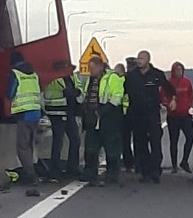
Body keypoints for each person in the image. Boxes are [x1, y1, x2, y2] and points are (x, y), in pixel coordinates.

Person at [125, 51, 176, 184]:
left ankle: (155, 170)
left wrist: (173, 99)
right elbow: (123, 91)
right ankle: (145, 171)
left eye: (141, 58)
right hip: (136, 113)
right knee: (141, 144)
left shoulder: (157, 75)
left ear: (148, 60)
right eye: (138, 58)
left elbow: (169, 88)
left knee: (155, 142)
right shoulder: (131, 76)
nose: (138, 61)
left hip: (152, 113)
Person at [81, 57, 124, 187]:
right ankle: (90, 173)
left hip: (108, 119)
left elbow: (117, 96)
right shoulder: (91, 79)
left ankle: (112, 175)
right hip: (92, 119)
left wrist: (103, 110)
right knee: (91, 148)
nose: (90, 71)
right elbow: (87, 96)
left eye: (92, 68)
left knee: (112, 150)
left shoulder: (112, 78)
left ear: (100, 67)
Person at [8, 51, 42, 186]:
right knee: (29, 146)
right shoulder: (34, 74)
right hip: (36, 113)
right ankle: (32, 171)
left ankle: (30, 175)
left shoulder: (15, 73)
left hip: (23, 114)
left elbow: (10, 92)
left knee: (22, 147)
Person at [42, 67, 81, 180]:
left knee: (75, 139)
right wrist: (67, 93)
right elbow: (50, 94)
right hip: (57, 112)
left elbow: (78, 89)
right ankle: (55, 169)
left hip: (69, 112)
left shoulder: (71, 77)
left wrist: (75, 92)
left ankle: (72, 167)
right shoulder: (54, 78)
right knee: (58, 141)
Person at [162, 61, 193, 174]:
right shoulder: (168, 83)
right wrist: (168, 104)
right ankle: (174, 165)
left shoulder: (186, 82)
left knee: (190, 137)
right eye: (177, 70)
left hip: (185, 114)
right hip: (173, 115)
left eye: (181, 70)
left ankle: (184, 160)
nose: (179, 72)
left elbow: (190, 94)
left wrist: (188, 104)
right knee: (173, 140)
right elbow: (162, 96)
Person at [114, 63, 134, 172]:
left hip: (123, 115)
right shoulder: (129, 81)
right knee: (128, 141)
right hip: (128, 114)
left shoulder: (120, 82)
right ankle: (131, 164)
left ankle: (128, 163)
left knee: (124, 141)